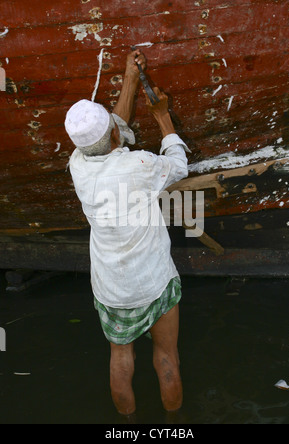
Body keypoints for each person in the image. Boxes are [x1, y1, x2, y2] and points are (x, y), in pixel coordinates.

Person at [64, 49, 190, 420]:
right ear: (115, 135)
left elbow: (112, 129)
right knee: (167, 357)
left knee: (121, 357)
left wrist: (129, 78)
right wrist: (162, 115)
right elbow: (179, 166)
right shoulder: (140, 165)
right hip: (153, 282)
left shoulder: (78, 164)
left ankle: (128, 427)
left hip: (112, 290)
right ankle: (174, 426)